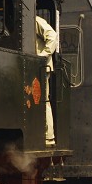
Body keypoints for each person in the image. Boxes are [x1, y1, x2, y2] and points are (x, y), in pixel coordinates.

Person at [35, 15, 58, 146]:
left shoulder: (36, 20)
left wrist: (41, 56)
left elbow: (53, 36)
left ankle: (49, 137)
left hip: (42, 67)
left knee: (44, 100)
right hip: (36, 67)